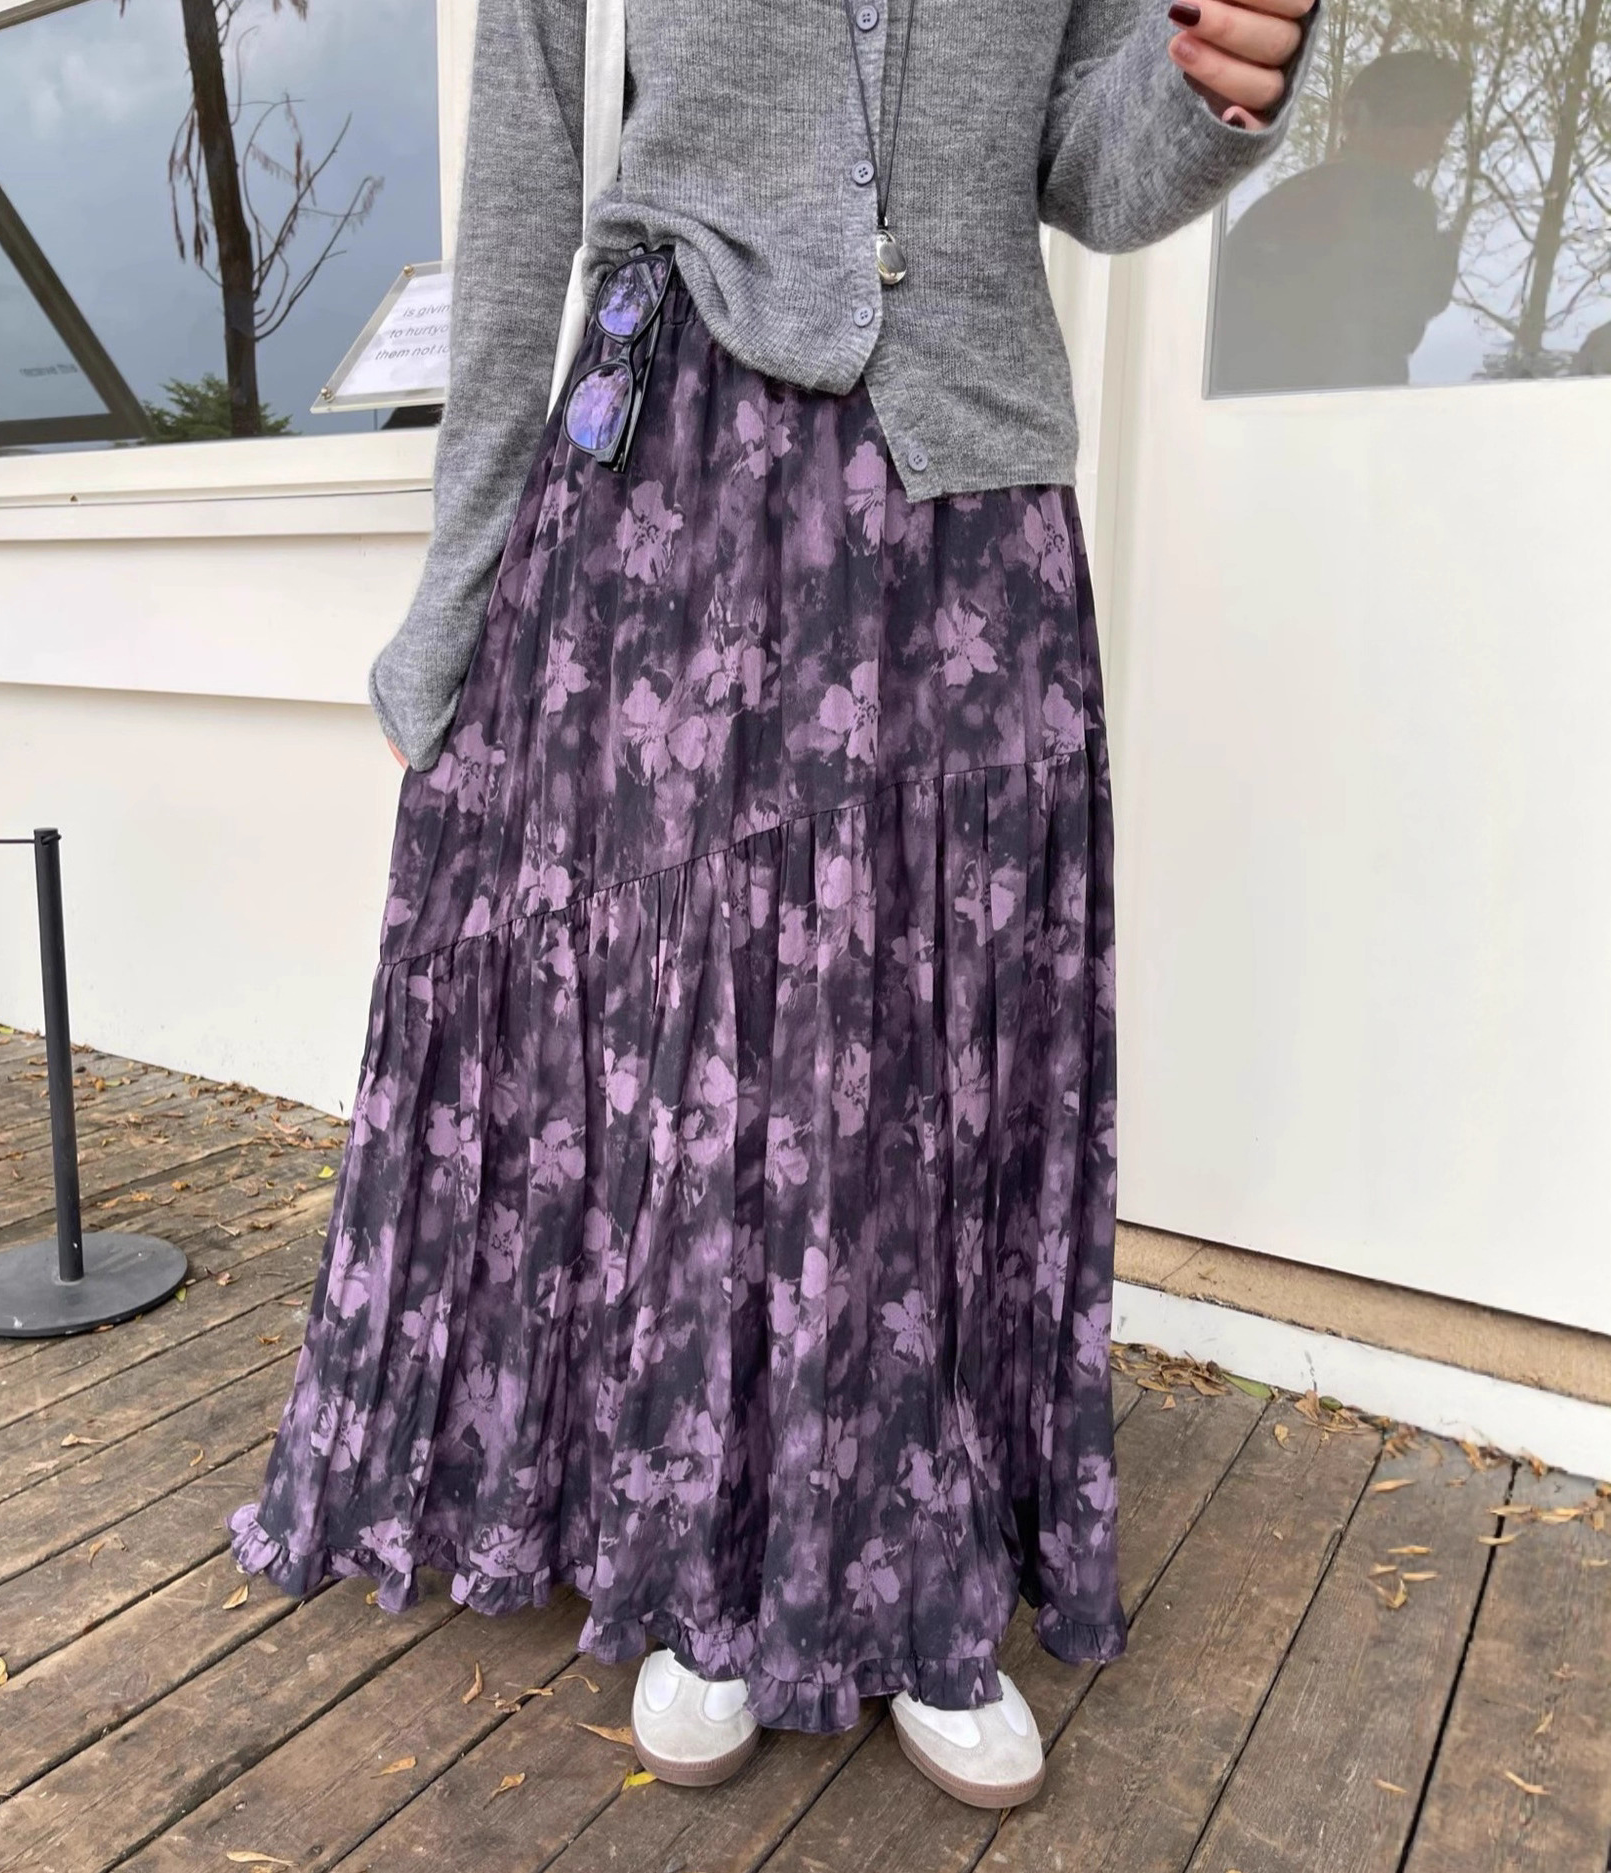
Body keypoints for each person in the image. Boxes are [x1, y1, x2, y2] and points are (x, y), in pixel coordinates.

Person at [231, 0, 1315, 1808]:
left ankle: (916, 1560)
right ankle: (704, 1556)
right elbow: (521, 198)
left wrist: (1211, 88)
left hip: (968, 503)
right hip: (677, 492)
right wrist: (457, 589)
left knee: (932, 1056)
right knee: (709, 1057)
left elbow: (1081, 156)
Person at [1211, 49, 1469, 394]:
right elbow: (1382, 343)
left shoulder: (1285, 201)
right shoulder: (1394, 204)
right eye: (1433, 120)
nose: (1440, 141)